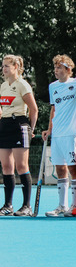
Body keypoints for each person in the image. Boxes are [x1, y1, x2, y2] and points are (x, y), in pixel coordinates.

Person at [42, 55, 76, 217]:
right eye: (55, 67)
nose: (56, 70)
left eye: (59, 67)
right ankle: (62, 206)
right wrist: (49, 129)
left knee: (73, 169)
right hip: (57, 134)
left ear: (68, 69)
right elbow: (54, 109)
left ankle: (74, 206)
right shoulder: (53, 86)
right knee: (60, 168)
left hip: (71, 134)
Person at [0, 55, 38, 216]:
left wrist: (31, 129)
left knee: (21, 166)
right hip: (5, 125)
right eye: (3, 66)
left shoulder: (23, 84)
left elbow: (33, 109)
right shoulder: (3, 86)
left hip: (19, 125)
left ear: (16, 67)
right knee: (6, 166)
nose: (4, 69)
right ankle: (8, 205)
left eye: (7, 66)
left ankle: (26, 206)